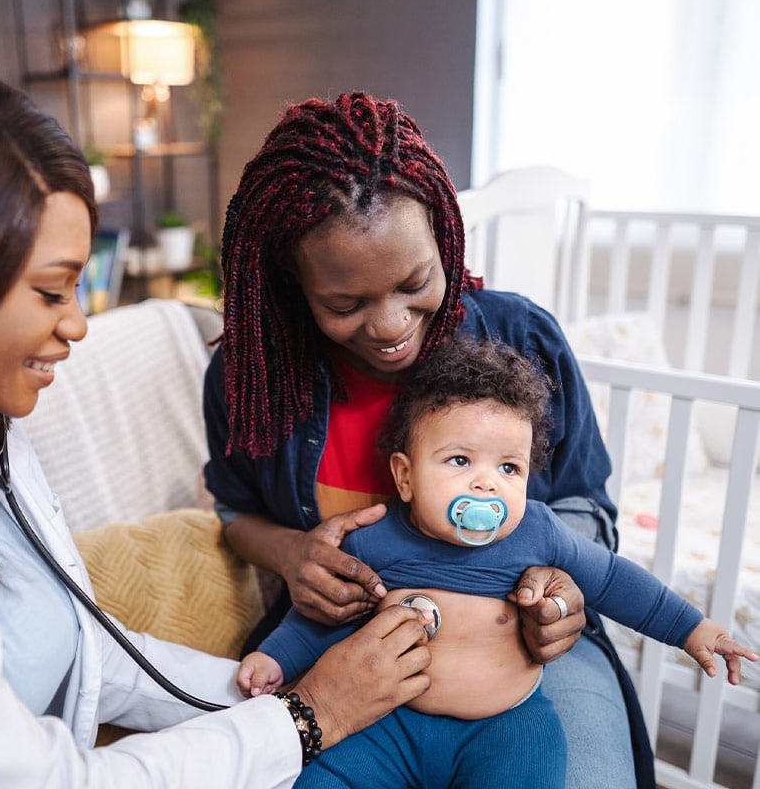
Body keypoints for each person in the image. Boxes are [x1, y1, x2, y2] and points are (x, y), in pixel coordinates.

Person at [0, 58, 438, 789]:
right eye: (51, 291)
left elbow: (90, 655)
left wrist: (279, 688)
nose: (78, 324)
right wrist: (308, 716)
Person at [203, 92, 650, 788]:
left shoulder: (522, 337)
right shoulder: (249, 374)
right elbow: (232, 514)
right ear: (295, 283)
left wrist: (558, 594)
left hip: (517, 653)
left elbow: (586, 508)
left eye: (415, 282)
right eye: (344, 304)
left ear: (445, 237)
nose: (387, 325)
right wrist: (294, 555)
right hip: (341, 647)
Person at [236, 336, 758, 788]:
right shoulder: (374, 539)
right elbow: (320, 616)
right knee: (317, 778)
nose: (486, 483)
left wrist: (693, 629)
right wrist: (275, 657)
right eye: (460, 461)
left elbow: (617, 582)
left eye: (509, 466)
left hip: (508, 730)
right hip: (386, 724)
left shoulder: (538, 530)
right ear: (405, 477)